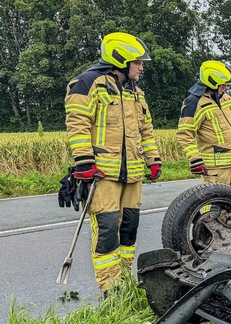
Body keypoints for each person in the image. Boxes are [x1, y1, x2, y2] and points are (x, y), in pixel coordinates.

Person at [63, 32, 162, 293]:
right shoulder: (87, 84)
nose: (141, 67)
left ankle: (126, 282)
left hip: (132, 175)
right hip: (101, 176)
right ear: (121, 60)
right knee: (107, 232)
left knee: (129, 229)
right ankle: (111, 290)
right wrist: (84, 161)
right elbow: (77, 124)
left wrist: (153, 160)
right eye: (138, 62)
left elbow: (146, 131)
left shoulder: (136, 93)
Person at [176, 61, 231, 191]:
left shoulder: (224, 97)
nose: (226, 87)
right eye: (223, 84)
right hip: (216, 170)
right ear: (212, 81)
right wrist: (195, 159)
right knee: (215, 206)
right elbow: (184, 134)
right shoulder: (194, 102)